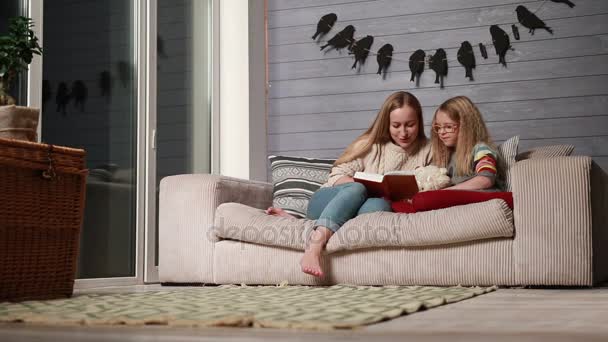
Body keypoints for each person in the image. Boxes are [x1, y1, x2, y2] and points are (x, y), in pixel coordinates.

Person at [266, 91, 432, 278]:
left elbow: (433, 183)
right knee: (357, 188)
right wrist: (366, 187)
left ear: (419, 121)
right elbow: (337, 175)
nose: (403, 132)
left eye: (410, 125)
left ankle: (302, 224)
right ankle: (314, 247)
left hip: (366, 207)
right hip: (326, 200)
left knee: (379, 205)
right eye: (396, 125)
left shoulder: (429, 150)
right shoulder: (370, 145)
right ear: (386, 124)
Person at [430, 95, 500, 190]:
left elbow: (486, 179)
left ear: (466, 126)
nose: (441, 132)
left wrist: (446, 192)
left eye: (448, 127)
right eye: (438, 127)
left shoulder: (480, 149)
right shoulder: (447, 154)